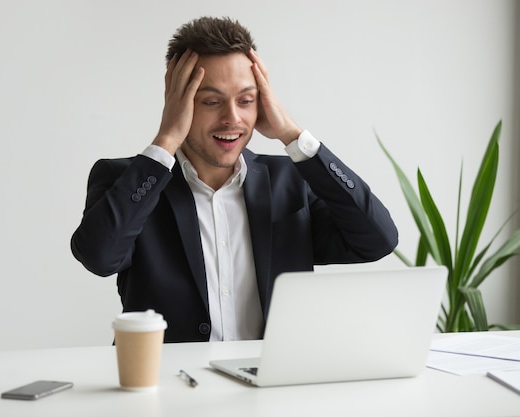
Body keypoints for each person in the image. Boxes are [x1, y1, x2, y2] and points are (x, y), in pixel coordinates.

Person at [71, 16, 398, 343]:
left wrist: (293, 136)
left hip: (269, 383)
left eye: (246, 100)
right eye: (212, 101)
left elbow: (377, 240)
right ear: (178, 101)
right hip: (167, 385)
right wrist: (167, 137)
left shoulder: (289, 180)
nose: (232, 118)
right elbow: (99, 258)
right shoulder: (127, 180)